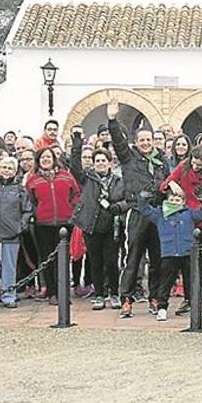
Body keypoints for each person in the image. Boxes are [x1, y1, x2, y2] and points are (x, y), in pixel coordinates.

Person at [106, 100, 171, 317]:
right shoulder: (129, 157)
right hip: (137, 211)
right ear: (136, 141)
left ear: (154, 142)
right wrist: (113, 120)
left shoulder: (161, 160)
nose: (145, 143)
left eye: (148, 140)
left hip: (158, 212)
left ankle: (155, 298)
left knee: (158, 258)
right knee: (132, 258)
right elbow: (118, 142)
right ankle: (127, 299)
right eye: (141, 140)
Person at [160, 146, 202, 315]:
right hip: (185, 219)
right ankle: (190, 298)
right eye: (194, 163)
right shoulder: (183, 167)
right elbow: (164, 185)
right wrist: (173, 183)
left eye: (199, 165)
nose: (195, 167)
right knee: (186, 262)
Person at [70, 132, 127, 311]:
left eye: (103, 160)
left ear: (110, 163)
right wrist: (77, 144)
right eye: (97, 161)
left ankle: (114, 293)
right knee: (95, 261)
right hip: (91, 226)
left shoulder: (119, 181)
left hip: (111, 226)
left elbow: (127, 200)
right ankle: (99, 294)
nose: (100, 163)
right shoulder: (88, 178)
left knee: (111, 261)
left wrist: (117, 207)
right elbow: (74, 166)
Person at [138, 188, 202, 322]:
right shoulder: (160, 213)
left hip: (187, 251)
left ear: (183, 202)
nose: (174, 202)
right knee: (165, 282)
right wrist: (143, 198)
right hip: (169, 252)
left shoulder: (189, 213)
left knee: (191, 282)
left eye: (177, 200)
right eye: (171, 199)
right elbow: (145, 211)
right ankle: (162, 308)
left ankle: (194, 307)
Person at [24, 147, 80, 306]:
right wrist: (37, 212)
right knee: (47, 259)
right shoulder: (33, 180)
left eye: (48, 157)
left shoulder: (66, 176)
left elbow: (75, 194)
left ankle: (64, 292)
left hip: (65, 223)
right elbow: (30, 200)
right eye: (42, 158)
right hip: (44, 225)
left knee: (63, 260)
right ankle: (52, 292)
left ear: (54, 158)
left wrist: (72, 208)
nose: (46, 160)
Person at [0, 156, 33, 309]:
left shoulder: (19, 189)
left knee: (9, 266)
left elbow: (27, 210)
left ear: (15, 171)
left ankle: (9, 295)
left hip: (11, 233)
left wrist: (20, 226)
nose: (6, 171)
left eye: (10, 168)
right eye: (4, 167)